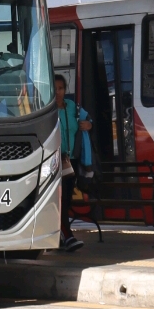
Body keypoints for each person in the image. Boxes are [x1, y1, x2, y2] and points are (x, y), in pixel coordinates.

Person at [55, 73, 92, 252]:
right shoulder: (46, 110)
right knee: (59, 200)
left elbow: (88, 119)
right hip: (55, 161)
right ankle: (67, 235)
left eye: (61, 88)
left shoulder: (72, 107)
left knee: (67, 199)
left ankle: (62, 236)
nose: (58, 92)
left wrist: (88, 125)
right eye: (54, 89)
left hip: (72, 160)